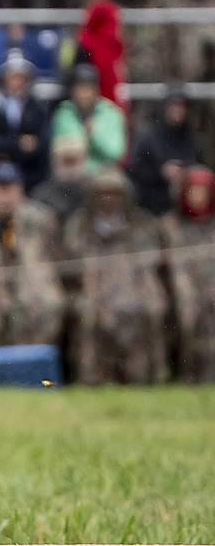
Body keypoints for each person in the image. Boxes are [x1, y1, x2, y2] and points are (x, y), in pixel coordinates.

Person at [63, 172, 170, 385]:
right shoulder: (79, 226)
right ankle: (91, 379)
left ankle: (145, 377)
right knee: (88, 313)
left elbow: (151, 264)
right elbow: (72, 264)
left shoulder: (142, 223)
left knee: (148, 309)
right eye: (102, 194)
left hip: (134, 286)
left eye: (114, 194)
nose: (108, 199)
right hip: (91, 288)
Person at [0, 162, 67, 350]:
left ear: (20, 189)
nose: (5, 196)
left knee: (47, 303)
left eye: (10, 189)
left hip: (31, 284)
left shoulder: (40, 218)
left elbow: (57, 257)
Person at [164, 166, 215, 383]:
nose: (198, 197)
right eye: (193, 191)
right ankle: (187, 377)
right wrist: (187, 292)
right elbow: (176, 267)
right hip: (183, 290)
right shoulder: (170, 225)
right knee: (187, 314)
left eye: (203, 191)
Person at [127, 88, 203, 216]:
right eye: (173, 106)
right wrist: (161, 172)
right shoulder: (147, 136)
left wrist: (184, 172)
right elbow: (134, 168)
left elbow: (200, 166)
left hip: (185, 200)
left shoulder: (191, 137)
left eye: (181, 106)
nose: (177, 111)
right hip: (151, 199)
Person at [0, 55, 50, 190]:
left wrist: (3, 142)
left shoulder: (38, 108)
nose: (17, 82)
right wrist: (18, 143)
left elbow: (41, 143)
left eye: (21, 78)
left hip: (30, 172)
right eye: (13, 77)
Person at [52, 64, 126, 177]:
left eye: (88, 88)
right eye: (80, 88)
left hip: (104, 176)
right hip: (72, 177)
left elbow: (115, 153)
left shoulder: (111, 113)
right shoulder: (64, 113)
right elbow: (60, 151)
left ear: (96, 90)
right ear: (72, 90)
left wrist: (94, 134)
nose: (84, 94)